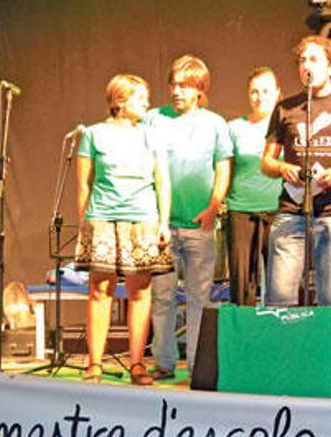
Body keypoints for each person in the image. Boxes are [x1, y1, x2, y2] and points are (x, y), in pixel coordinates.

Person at [261, 36, 331, 307]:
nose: (306, 66)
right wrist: (281, 167)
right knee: (279, 295)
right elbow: (266, 162)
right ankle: (285, 350)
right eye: (302, 60)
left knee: (329, 298)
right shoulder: (285, 108)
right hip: (292, 210)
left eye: (314, 59)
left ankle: (323, 350)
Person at [75, 74, 172, 385]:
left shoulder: (151, 135)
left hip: (143, 219)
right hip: (102, 218)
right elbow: (82, 186)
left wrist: (164, 222)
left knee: (140, 292)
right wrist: (86, 225)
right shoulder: (93, 135)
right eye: (140, 97)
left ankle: (138, 364)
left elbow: (163, 181)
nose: (147, 102)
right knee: (100, 291)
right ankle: (94, 364)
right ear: (120, 101)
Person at [146, 55, 232, 380]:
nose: (176, 90)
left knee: (200, 299)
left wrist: (212, 207)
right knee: (163, 298)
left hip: (200, 225)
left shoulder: (215, 123)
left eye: (184, 85)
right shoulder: (154, 118)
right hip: (163, 227)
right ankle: (164, 363)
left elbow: (223, 167)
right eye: (173, 83)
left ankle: (199, 365)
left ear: (200, 89)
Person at [225, 67, 282, 306]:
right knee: (241, 284)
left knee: (281, 283)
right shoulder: (233, 128)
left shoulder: (287, 128)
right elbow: (224, 171)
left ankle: (276, 337)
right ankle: (243, 338)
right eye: (254, 92)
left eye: (266, 91)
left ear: (278, 93)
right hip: (241, 211)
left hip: (280, 212)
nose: (260, 97)